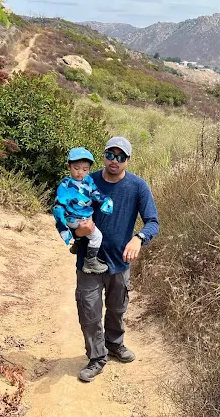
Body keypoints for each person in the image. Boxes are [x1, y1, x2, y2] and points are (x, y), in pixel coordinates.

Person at [65, 136, 159, 383]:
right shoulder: (88, 180)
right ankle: (97, 358)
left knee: (117, 309)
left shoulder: (138, 186)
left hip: (119, 263)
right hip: (89, 261)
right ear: (104, 155)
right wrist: (77, 232)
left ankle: (114, 344)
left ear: (127, 160)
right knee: (89, 312)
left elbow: (153, 222)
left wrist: (138, 238)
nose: (114, 161)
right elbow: (70, 213)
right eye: (110, 155)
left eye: (120, 157)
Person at [53, 147, 113, 274]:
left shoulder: (89, 181)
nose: (80, 172)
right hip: (74, 218)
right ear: (68, 166)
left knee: (86, 231)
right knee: (97, 236)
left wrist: (105, 200)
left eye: (85, 169)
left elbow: (96, 193)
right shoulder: (65, 185)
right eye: (76, 168)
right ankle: (90, 262)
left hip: (86, 215)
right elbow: (58, 206)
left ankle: (77, 243)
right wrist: (62, 226)